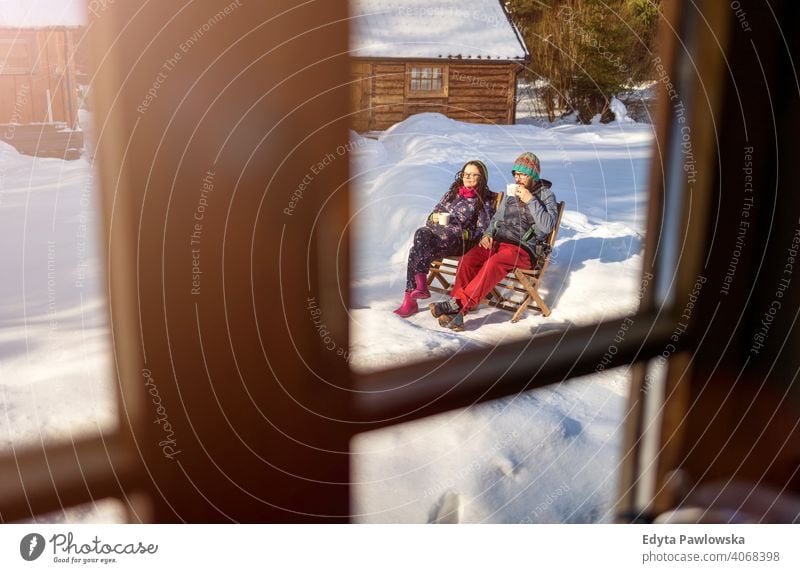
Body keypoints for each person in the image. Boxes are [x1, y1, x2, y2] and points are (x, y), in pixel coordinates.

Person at [429, 152, 558, 331]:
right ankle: (456, 313)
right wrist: (487, 235)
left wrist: (530, 200)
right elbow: (496, 219)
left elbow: (547, 226)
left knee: (494, 263)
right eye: (516, 174)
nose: (519, 178)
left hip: (523, 249)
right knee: (468, 260)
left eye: (523, 174)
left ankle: (456, 305)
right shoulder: (512, 193)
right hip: (498, 242)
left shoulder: (546, 196)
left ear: (534, 175)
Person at [394, 160, 497, 317]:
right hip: (435, 236)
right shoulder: (452, 193)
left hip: (457, 241)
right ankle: (420, 285)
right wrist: (434, 217)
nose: (468, 178)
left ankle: (412, 299)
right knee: (421, 233)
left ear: (482, 178)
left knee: (416, 250)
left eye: (473, 175)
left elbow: (482, 231)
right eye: (466, 174)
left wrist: (458, 231)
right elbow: (430, 218)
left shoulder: (484, 199)